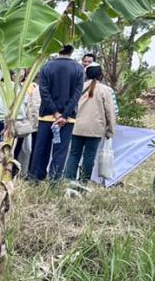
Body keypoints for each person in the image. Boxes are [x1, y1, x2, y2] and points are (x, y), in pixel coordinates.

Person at [28, 44, 85, 181]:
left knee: (41, 150)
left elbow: (44, 92)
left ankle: (35, 178)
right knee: (60, 151)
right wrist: (64, 115)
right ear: (72, 50)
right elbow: (76, 95)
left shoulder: (47, 67)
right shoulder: (78, 69)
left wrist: (55, 113)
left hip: (46, 116)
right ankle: (54, 180)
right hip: (67, 119)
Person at [64, 64, 116, 183]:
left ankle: (68, 179)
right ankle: (84, 181)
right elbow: (110, 112)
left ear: (86, 75)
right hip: (95, 128)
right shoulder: (105, 90)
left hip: (77, 127)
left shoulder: (79, 87)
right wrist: (110, 130)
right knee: (89, 155)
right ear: (101, 75)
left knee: (73, 154)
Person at [11, 75, 41, 177]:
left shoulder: (25, 87)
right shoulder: (12, 87)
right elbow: (35, 107)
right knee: (14, 150)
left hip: (24, 123)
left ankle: (17, 172)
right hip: (16, 123)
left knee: (21, 150)